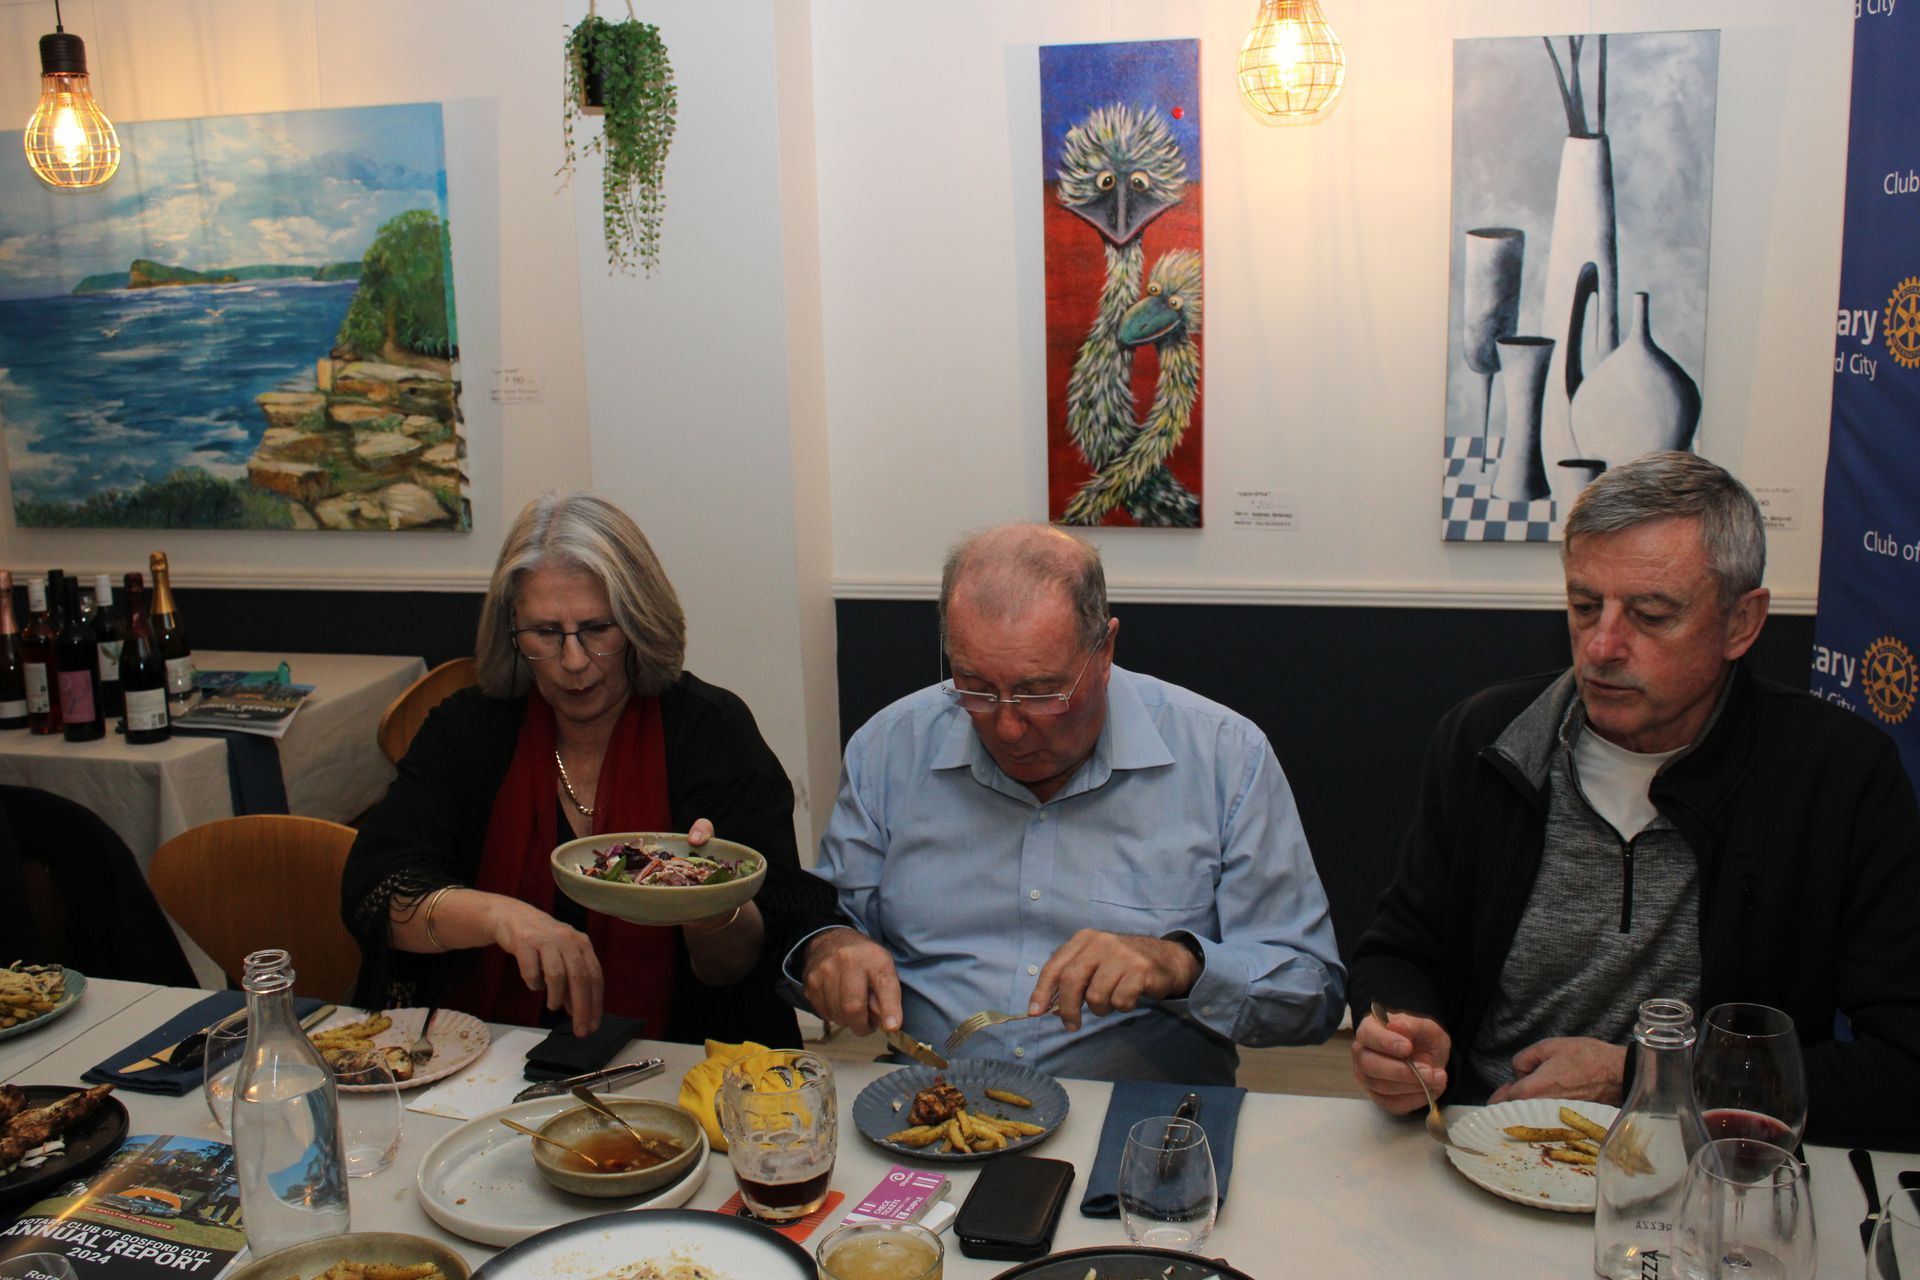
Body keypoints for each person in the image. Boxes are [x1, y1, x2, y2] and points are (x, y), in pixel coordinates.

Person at [1348, 451, 1920, 1150]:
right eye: (1584, 606)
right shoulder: (1487, 741)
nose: (1601, 646)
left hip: (1708, 1167)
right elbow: (1399, 949)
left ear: (1742, 623)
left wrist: (1645, 1075)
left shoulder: (1837, 776)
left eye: (1650, 615)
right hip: (1485, 1144)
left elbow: (1903, 1067)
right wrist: (1407, 1033)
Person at [793, 523, 1345, 1084]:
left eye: (1040, 692)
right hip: (931, 1106)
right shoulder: (889, 748)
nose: (1007, 727)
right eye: (974, 686)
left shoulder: (1226, 757)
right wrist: (829, 947)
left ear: (1103, 649)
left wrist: (1181, 964)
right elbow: (828, 921)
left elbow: (1311, 993)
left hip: (1141, 1122)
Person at [342, 491, 833, 1045]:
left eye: (597, 629)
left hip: (676, 1059)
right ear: (511, 628)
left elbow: (742, 964)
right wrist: (503, 919)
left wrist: (708, 906)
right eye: (546, 633)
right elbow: (377, 895)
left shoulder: (711, 732)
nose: (573, 662)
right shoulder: (469, 730)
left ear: (639, 620)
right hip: (484, 1054)